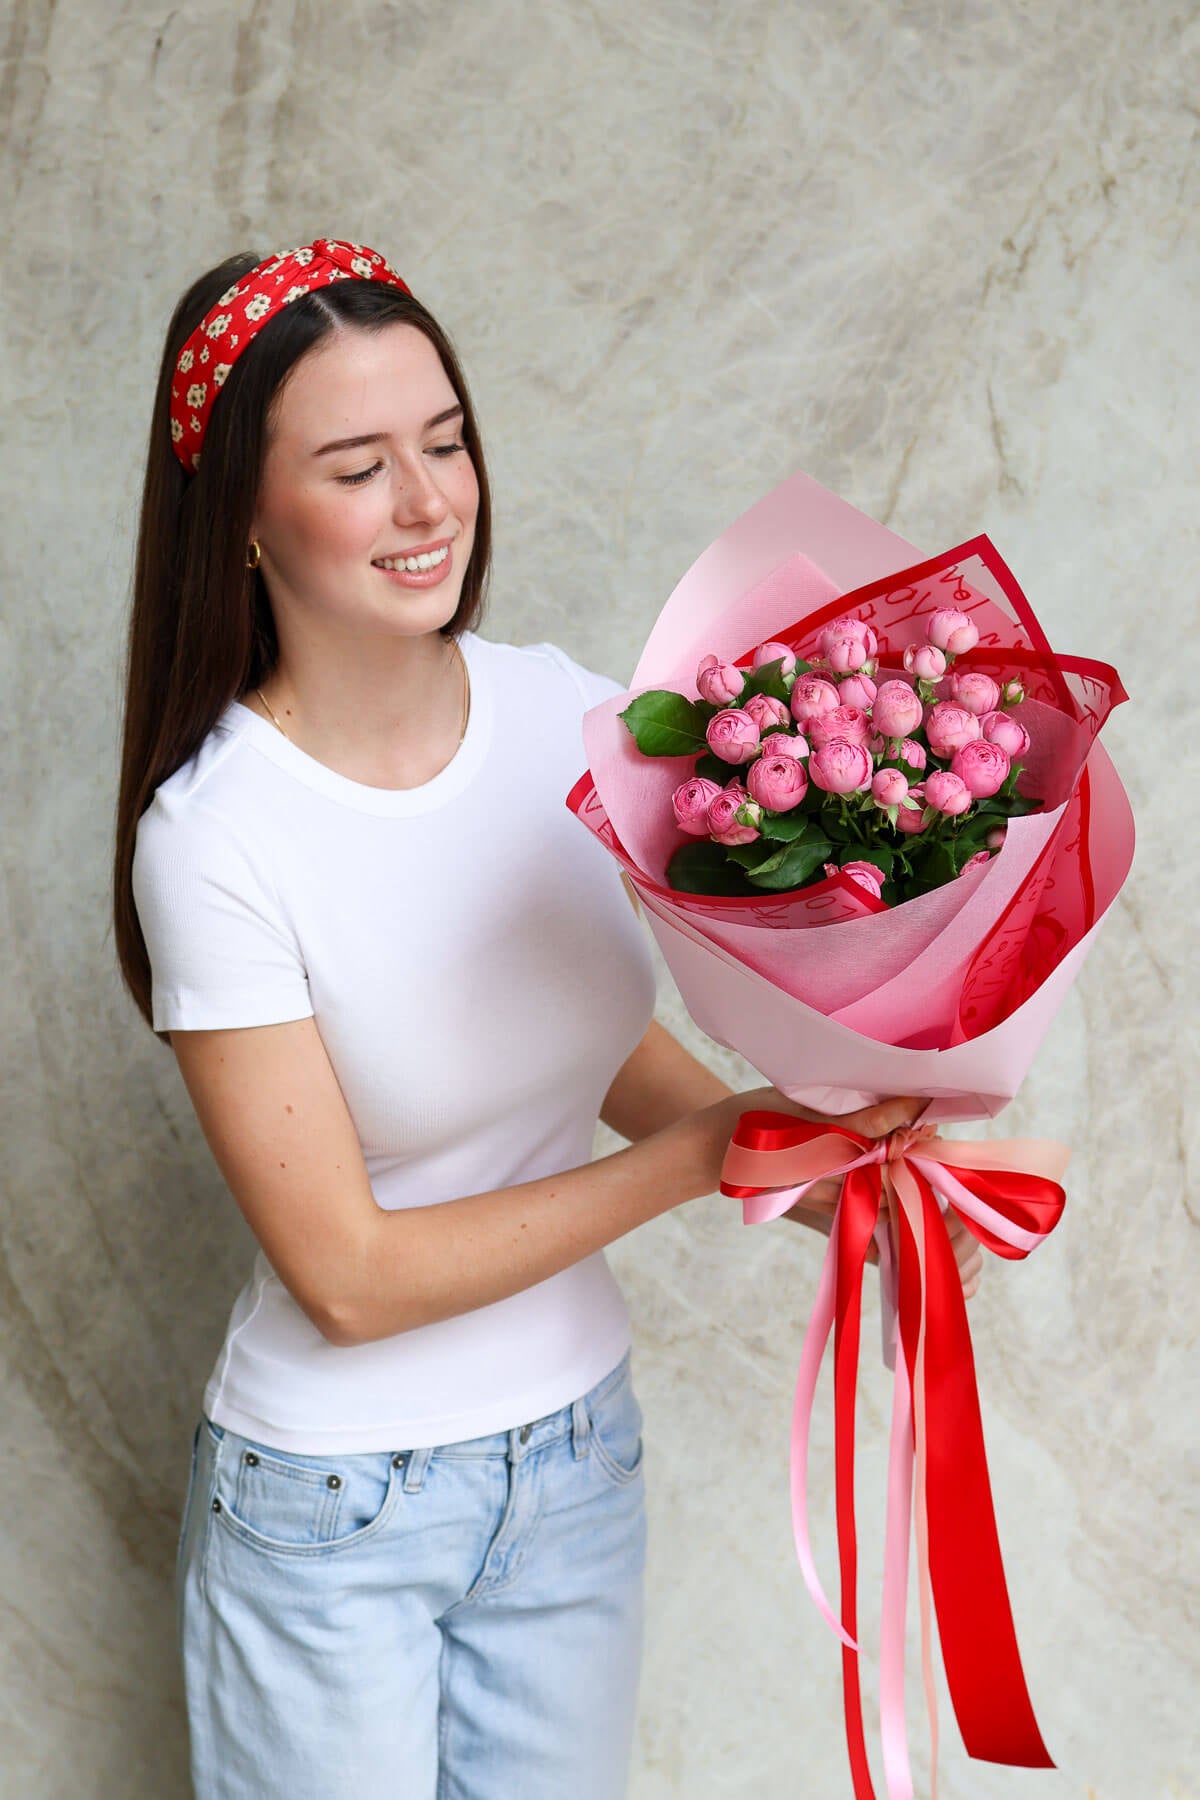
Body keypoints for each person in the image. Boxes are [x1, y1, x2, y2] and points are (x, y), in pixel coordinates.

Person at [112, 238, 983, 1800]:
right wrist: (707, 1157)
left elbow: (594, 1052)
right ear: (242, 518)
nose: (431, 502)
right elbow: (352, 1281)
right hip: (332, 1520)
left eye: (445, 443)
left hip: (576, 1464)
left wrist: (850, 1179)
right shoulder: (216, 837)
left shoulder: (565, 721)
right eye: (360, 466)